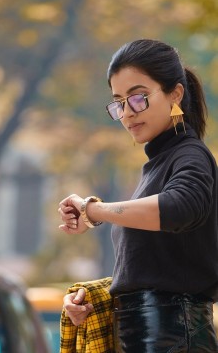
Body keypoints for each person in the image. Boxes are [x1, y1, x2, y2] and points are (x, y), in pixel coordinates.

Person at [58, 39, 218, 352]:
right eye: (119, 103)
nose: (128, 113)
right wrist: (88, 299)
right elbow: (152, 274)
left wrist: (95, 211)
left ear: (175, 94)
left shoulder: (190, 155)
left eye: (139, 98)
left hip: (174, 339)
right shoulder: (156, 166)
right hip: (148, 337)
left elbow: (181, 207)